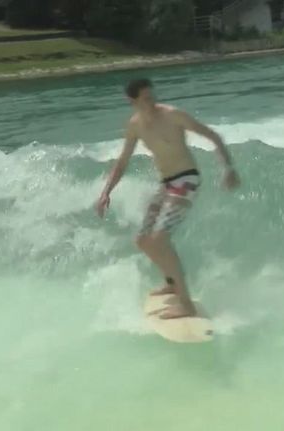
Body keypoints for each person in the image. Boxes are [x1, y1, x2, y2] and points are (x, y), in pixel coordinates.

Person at [95, 78, 240, 319]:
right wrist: (105, 192)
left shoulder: (173, 115)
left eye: (152, 96)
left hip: (187, 180)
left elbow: (213, 136)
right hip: (167, 184)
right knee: (143, 240)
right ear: (132, 101)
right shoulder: (135, 126)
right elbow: (122, 162)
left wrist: (228, 168)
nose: (152, 102)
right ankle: (172, 283)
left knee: (160, 239)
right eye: (146, 99)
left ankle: (186, 305)